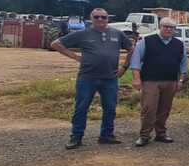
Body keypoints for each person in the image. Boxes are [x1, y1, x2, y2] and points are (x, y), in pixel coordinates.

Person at [51, 8, 134, 149]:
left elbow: (131, 48)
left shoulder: (117, 34)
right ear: (91, 19)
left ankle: (106, 135)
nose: (100, 19)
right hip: (87, 78)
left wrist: (124, 67)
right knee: (81, 108)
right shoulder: (83, 34)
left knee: (110, 108)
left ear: (108, 19)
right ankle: (76, 137)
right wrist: (76, 57)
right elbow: (55, 44)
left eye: (103, 17)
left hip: (110, 78)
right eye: (96, 17)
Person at [129, 17, 188, 147]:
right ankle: (144, 135)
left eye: (171, 27)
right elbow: (135, 61)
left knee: (164, 109)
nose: (168, 29)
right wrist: (136, 78)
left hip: (171, 81)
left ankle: (161, 133)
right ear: (160, 27)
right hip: (150, 81)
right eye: (165, 26)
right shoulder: (147, 41)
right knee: (149, 108)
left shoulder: (179, 44)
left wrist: (181, 80)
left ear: (174, 30)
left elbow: (183, 64)